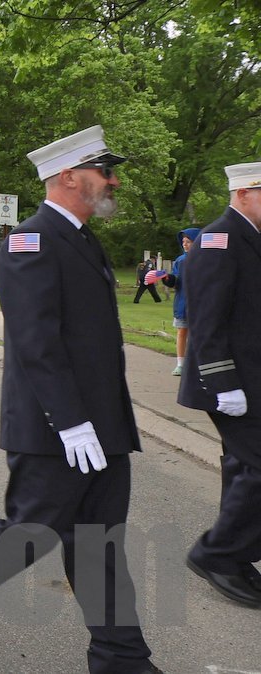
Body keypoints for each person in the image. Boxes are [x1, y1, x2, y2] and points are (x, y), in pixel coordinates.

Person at [0, 126, 159, 672]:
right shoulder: (31, 241)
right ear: (69, 177)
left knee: (99, 544)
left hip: (101, 427)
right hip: (56, 429)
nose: (114, 181)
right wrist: (70, 422)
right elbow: (35, 342)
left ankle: (121, 657)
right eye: (104, 172)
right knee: (29, 531)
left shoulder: (82, 238)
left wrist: (100, 423)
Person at [176, 161, 261, 608]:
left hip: (252, 379)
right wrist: (222, 381)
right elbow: (206, 320)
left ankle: (236, 556)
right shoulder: (219, 239)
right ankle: (216, 554)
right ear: (243, 194)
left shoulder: (250, 238)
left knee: (245, 468)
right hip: (229, 382)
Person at [160, 228, 198, 376]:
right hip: (183, 303)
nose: (185, 244)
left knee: (198, 334)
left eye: (188, 242)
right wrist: (167, 279)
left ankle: (197, 363)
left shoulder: (205, 259)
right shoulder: (180, 261)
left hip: (200, 304)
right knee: (182, 332)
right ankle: (181, 364)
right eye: (183, 242)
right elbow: (176, 281)